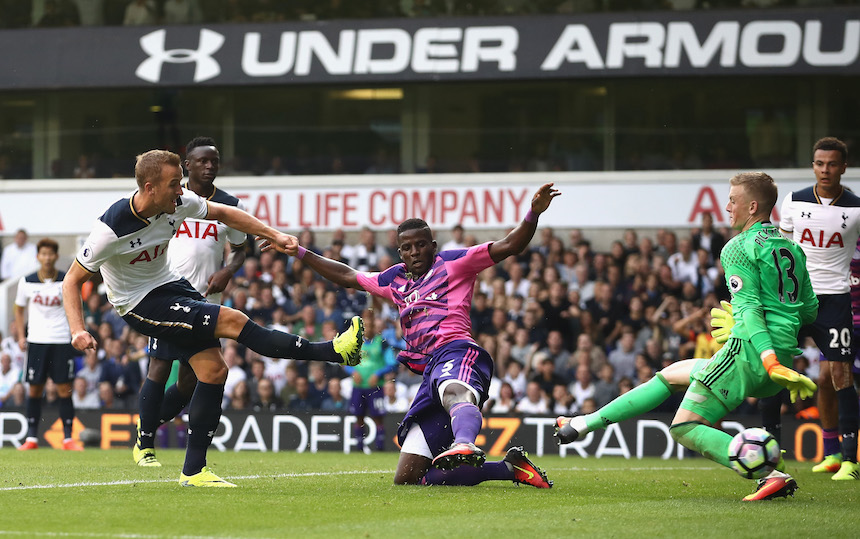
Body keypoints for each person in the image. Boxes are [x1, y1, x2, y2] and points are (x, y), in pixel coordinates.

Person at [63, 149, 364, 487]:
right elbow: (72, 280)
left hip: (170, 285)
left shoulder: (179, 201)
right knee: (230, 323)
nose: (181, 190)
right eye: (174, 184)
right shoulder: (110, 229)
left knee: (214, 370)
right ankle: (333, 352)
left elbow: (224, 213)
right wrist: (78, 329)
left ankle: (193, 471)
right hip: (138, 303)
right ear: (150, 187)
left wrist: (274, 235)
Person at [556, 172, 819, 501]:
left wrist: (760, 349)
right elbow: (808, 310)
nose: (727, 207)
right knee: (670, 374)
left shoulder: (737, 248)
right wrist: (775, 345)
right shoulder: (792, 248)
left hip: (752, 354)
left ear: (752, 206)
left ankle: (770, 474)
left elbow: (750, 308)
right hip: (783, 360)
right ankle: (583, 424)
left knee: (683, 427)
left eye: (733, 200)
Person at [292, 183, 560, 488]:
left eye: (421, 245)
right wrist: (300, 252)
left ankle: (466, 442)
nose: (415, 252)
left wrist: (532, 213)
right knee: (409, 478)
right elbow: (347, 276)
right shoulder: (393, 279)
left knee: (455, 392)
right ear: (400, 252)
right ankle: (510, 469)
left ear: (432, 245)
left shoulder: (455, 263)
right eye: (407, 247)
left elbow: (511, 245)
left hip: (457, 352)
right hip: (430, 372)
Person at [133, 136, 250, 468]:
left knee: (188, 381)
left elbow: (241, 248)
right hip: (168, 296)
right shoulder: (172, 198)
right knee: (159, 365)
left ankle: (148, 424)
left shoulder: (229, 205)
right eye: (202, 161)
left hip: (208, 303)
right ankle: (145, 443)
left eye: (214, 161)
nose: (209, 166)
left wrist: (229, 269)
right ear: (188, 165)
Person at [777, 136, 860, 480]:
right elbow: (780, 255)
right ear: (813, 165)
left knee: (838, 376)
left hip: (838, 300)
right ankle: (787, 454)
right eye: (819, 163)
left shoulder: (856, 208)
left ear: (844, 167)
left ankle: (850, 460)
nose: (825, 170)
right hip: (796, 301)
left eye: (832, 164)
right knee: (776, 368)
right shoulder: (793, 202)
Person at [14, 238, 83, 451]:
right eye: (43, 254)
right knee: (35, 390)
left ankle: (68, 438)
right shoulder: (27, 281)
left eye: (50, 254)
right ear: (38, 256)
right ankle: (32, 439)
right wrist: (20, 335)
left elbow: (76, 303)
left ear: (55, 256)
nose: (46, 258)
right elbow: (18, 309)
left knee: (64, 389)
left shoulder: (66, 280)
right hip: (36, 341)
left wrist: (76, 331)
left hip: (61, 339)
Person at [345, 309, 397, 452]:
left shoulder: (382, 343)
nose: (368, 328)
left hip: (376, 386)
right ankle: (359, 448)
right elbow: (344, 362)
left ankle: (380, 448)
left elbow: (392, 363)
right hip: (358, 385)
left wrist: (378, 373)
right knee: (358, 417)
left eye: (370, 325)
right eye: (365, 326)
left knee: (378, 417)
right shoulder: (355, 342)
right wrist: (352, 371)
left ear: (375, 326)